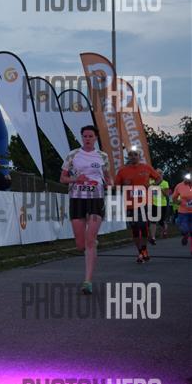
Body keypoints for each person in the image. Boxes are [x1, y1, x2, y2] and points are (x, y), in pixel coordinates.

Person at [59, 126, 112, 295]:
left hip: (96, 198)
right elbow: (62, 178)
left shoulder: (102, 156)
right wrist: (76, 179)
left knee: (90, 240)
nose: (87, 139)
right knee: (80, 244)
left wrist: (110, 184)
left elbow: (107, 177)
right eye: (85, 136)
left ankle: (87, 281)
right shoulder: (73, 155)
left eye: (90, 136)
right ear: (81, 138)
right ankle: (91, 243)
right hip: (77, 199)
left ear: (95, 138)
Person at [113, 148, 161, 264]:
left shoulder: (146, 167)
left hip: (144, 202)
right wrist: (123, 185)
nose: (133, 157)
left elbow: (159, 178)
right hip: (130, 204)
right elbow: (116, 187)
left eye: (135, 154)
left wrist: (152, 185)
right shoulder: (122, 170)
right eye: (131, 155)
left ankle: (144, 250)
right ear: (128, 157)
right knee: (135, 229)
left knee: (143, 226)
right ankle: (140, 252)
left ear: (139, 156)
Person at [170, 172, 192, 255]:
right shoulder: (179, 186)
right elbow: (174, 198)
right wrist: (177, 202)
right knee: (184, 228)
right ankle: (185, 235)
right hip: (183, 212)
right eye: (186, 177)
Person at [148, 169, 170, 245]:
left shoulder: (165, 183)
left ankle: (165, 230)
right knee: (153, 221)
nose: (158, 175)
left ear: (162, 174)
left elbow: (167, 195)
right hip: (153, 204)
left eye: (160, 173)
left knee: (161, 221)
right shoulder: (151, 182)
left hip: (162, 204)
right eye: (157, 173)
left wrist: (160, 189)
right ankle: (153, 238)